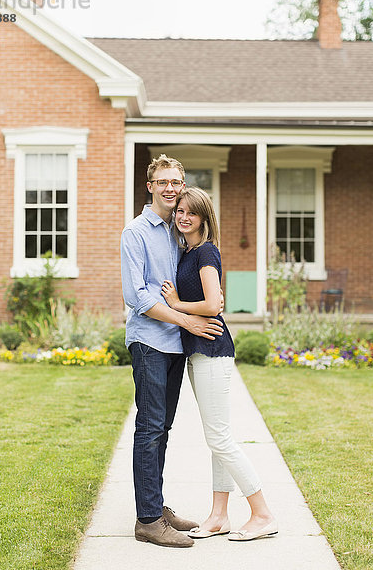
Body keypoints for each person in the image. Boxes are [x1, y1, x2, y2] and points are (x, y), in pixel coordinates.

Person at [161, 186, 277, 542]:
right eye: (180, 210)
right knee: (217, 438)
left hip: (212, 349)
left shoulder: (206, 252)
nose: (183, 216)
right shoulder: (188, 252)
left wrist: (177, 304)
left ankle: (261, 513)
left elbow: (213, 305)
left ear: (204, 218)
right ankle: (218, 516)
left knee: (220, 438)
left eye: (191, 212)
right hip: (199, 350)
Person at [120, 155, 224, 548]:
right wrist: (188, 320)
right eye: (162, 181)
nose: (170, 188)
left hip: (173, 345)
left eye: (176, 182)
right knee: (149, 428)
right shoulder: (136, 232)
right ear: (150, 186)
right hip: (149, 341)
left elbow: (186, 282)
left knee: (161, 429)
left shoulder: (176, 230)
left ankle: (156, 504)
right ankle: (147, 520)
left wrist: (208, 301)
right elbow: (138, 296)